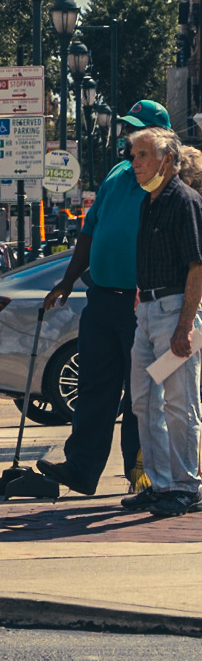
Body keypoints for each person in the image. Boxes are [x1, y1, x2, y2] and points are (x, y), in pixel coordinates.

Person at [0, 96, 165, 505]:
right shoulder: (118, 175)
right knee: (94, 387)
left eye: (137, 134)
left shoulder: (167, 185)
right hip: (102, 298)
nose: (128, 140)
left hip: (143, 303)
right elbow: (89, 233)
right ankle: (81, 469)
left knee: (140, 391)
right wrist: (67, 281)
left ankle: (139, 471)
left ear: (162, 140)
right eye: (127, 132)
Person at [126, 125, 202, 519]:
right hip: (148, 309)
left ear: (167, 160)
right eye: (133, 155)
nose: (134, 163)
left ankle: (187, 485)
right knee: (143, 401)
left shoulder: (184, 201)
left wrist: (184, 325)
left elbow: (196, 267)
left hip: (173, 309)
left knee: (179, 402)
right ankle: (160, 483)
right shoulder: (149, 201)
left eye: (141, 155)